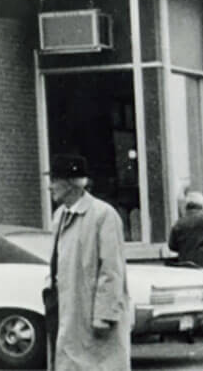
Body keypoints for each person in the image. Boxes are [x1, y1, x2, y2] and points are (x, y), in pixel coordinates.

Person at [46, 154, 131, 370]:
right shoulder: (59, 216)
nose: (50, 186)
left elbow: (112, 269)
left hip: (90, 315)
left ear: (71, 183)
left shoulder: (103, 215)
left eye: (55, 180)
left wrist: (105, 315)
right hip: (67, 311)